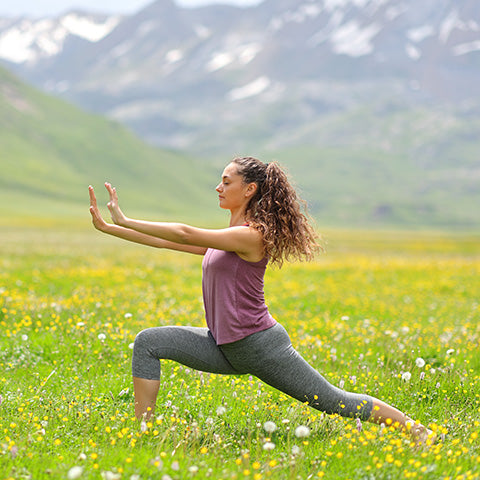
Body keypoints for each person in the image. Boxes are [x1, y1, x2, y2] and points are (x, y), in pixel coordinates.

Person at [89, 156, 435, 445]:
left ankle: (417, 430)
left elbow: (184, 232)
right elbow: (171, 243)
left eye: (226, 181)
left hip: (259, 346)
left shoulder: (251, 236)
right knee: (148, 342)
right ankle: (143, 432)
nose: (218, 187)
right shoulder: (228, 238)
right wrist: (111, 229)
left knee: (333, 401)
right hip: (223, 345)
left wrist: (126, 218)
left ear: (249, 189)